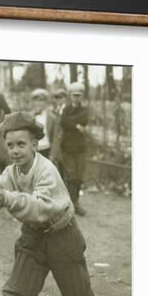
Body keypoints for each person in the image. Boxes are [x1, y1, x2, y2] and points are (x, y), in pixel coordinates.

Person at [0, 111, 95, 296]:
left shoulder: (47, 170)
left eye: (21, 144)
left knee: (75, 286)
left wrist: (8, 199)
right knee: (20, 284)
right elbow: (0, 185)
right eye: (10, 145)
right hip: (34, 234)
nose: (15, 150)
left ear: (35, 145)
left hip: (61, 232)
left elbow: (41, 207)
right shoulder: (12, 171)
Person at [60, 82, 89, 216]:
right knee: (70, 176)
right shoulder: (65, 109)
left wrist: (71, 122)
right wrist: (77, 126)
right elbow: (63, 121)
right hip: (67, 147)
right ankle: (71, 204)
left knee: (79, 176)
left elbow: (84, 119)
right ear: (70, 96)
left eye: (78, 95)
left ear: (82, 96)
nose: (76, 98)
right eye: (73, 95)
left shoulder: (84, 110)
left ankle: (75, 202)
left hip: (80, 148)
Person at [30, 88, 58, 160]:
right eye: (36, 100)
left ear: (46, 102)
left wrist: (53, 154)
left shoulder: (52, 117)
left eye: (41, 100)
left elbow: (55, 138)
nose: (38, 103)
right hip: (33, 150)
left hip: (46, 149)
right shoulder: (29, 116)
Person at [50, 88, 68, 177]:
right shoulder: (54, 111)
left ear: (65, 98)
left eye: (60, 98)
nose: (58, 100)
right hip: (57, 142)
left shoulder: (68, 111)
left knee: (66, 167)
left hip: (67, 142)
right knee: (58, 166)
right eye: (56, 98)